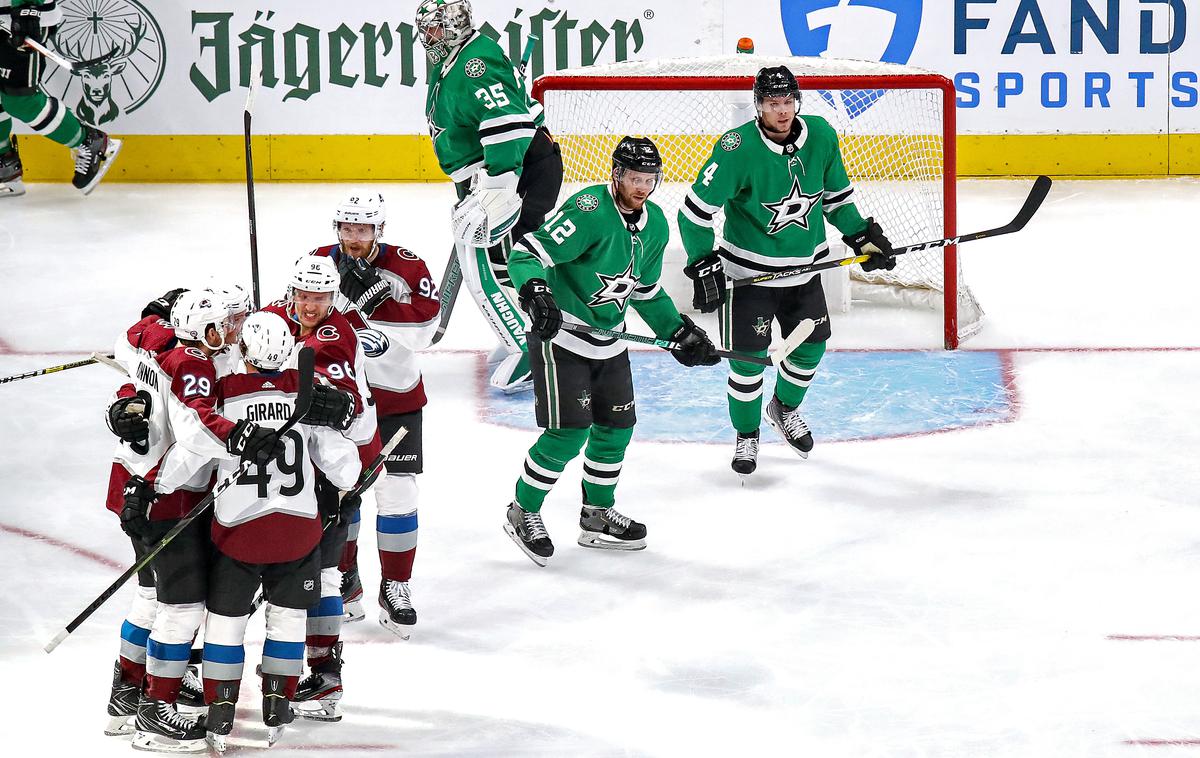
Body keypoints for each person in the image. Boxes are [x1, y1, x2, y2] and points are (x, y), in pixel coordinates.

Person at [149, 311, 362, 752]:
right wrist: (343, 472)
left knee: (225, 621)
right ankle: (278, 703)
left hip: (237, 534)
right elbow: (346, 468)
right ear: (288, 351)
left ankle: (221, 709)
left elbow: (194, 450)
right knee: (287, 616)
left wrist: (154, 488)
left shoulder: (224, 393)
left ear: (242, 351)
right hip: (298, 534)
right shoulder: (308, 395)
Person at [502, 136, 719, 567]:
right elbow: (527, 252)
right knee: (568, 434)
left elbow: (646, 292)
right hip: (562, 339)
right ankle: (522, 510)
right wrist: (536, 291)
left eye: (650, 179)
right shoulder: (588, 210)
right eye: (634, 177)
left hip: (610, 342)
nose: (642, 187)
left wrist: (681, 332)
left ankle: (596, 515)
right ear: (616, 174)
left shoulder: (655, 224)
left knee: (616, 430)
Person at [677, 65, 895, 476]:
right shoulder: (736, 148)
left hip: (803, 273)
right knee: (747, 363)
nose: (782, 111)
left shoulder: (822, 135)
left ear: (798, 101)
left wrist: (861, 236)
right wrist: (702, 261)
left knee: (811, 349)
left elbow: (835, 202)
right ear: (759, 106)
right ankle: (747, 434)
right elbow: (693, 214)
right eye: (772, 103)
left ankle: (784, 408)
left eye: (788, 102)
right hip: (749, 278)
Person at [112, 289, 284, 752]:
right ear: (205, 329)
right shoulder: (192, 364)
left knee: (151, 596)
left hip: (135, 481)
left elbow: (128, 342)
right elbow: (197, 431)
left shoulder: (158, 340)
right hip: (163, 493)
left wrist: (125, 396)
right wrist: (241, 436)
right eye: (227, 323)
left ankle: (127, 695)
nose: (234, 330)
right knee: (180, 607)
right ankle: (155, 711)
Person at [416, 0, 563, 392]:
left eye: (433, 29)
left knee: (496, 263)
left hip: (517, 172)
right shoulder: (455, 59)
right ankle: (519, 336)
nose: (427, 37)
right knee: (497, 261)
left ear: (454, 26)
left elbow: (510, 126)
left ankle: (529, 347)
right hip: (492, 176)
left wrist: (498, 186)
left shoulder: (475, 62)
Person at [313, 190, 439, 641]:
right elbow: (298, 322)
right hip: (341, 403)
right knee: (342, 496)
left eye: (362, 229)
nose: (353, 237)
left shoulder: (407, 265)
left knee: (399, 494)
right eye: (346, 228)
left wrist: (375, 305)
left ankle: (396, 585)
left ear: (378, 230)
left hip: (398, 400)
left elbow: (426, 332)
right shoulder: (318, 263)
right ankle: (346, 579)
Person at [262, 255, 376, 722]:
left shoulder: (337, 334)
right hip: (295, 470)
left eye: (321, 298)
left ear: (334, 298)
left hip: (338, 466)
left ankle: (326, 676)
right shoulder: (274, 314)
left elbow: (331, 404)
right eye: (304, 296)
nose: (311, 306)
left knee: (322, 574)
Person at [0, 0, 121, 196]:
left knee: (21, 100)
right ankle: (4, 165)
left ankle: (89, 141)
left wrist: (28, 8)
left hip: (21, 18)